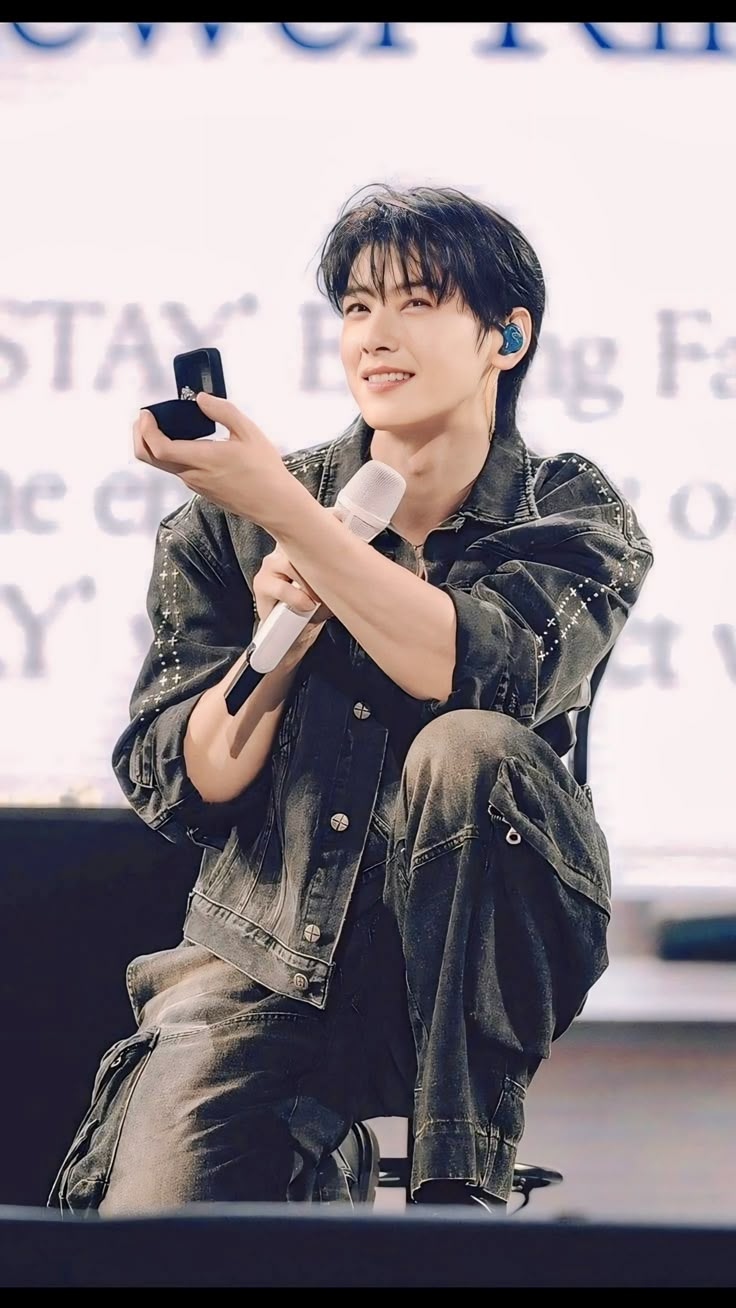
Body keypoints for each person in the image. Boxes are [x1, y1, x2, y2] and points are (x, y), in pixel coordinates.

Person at [48, 183, 654, 1217]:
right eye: (357, 308)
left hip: (478, 934)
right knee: (148, 1239)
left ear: (505, 338)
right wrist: (275, 645)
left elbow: (482, 673)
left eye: (418, 303)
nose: (376, 334)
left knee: (467, 747)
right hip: (264, 939)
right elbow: (185, 785)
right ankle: (309, 1155)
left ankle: (456, 1173)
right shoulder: (229, 526)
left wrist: (288, 515)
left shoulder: (566, 505)